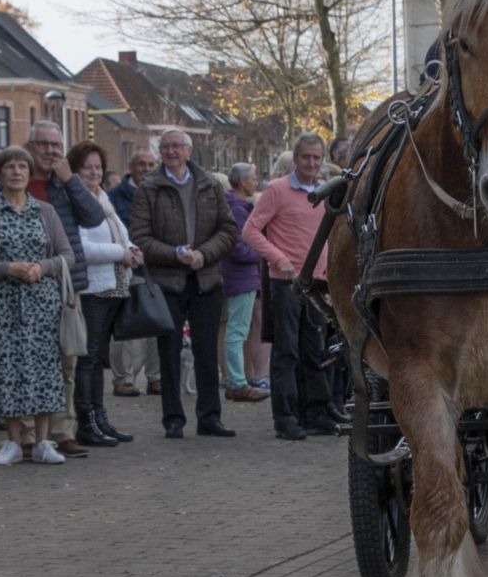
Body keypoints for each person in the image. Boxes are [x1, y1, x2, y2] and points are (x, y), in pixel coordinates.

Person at [129, 127, 237, 438]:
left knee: (205, 353)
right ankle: (173, 419)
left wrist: (204, 254)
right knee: (170, 353)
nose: (172, 152)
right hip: (168, 283)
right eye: (166, 147)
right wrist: (175, 254)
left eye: (177, 146)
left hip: (206, 281)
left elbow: (228, 229)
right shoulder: (149, 188)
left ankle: (210, 417)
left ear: (189, 151)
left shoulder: (210, 185)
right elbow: (140, 237)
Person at [0, 145, 72, 465]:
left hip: (42, 303)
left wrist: (44, 267)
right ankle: (13, 440)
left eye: (21, 167)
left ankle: (42, 441)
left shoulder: (45, 211)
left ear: (29, 174)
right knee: (7, 369)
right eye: (9, 167)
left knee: (44, 370)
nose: (16, 172)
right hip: (3, 304)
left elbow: (66, 254)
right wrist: (5, 269)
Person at [243, 132, 343, 440]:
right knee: (287, 353)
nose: (311, 163)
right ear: (295, 158)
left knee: (316, 352)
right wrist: (278, 258)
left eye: (316, 157)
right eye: (305, 157)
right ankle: (285, 417)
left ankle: (315, 413)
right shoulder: (276, 190)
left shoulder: (324, 193)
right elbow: (250, 230)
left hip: (318, 285)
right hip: (287, 284)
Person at [24, 122, 102, 453]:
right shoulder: (15, 178)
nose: (51, 151)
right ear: (30, 147)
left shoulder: (64, 184)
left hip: (65, 282)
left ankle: (62, 430)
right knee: (27, 360)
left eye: (56, 145)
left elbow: (93, 216)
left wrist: (70, 179)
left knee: (67, 359)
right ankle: (27, 433)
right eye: (43, 145)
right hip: (25, 282)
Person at [64, 142, 139, 447]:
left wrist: (132, 248)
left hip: (113, 286)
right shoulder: (75, 201)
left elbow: (120, 230)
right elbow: (80, 247)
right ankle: (87, 422)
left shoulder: (101, 197)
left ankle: (100, 416)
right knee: (89, 358)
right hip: (93, 288)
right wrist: (120, 252)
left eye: (97, 167)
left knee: (99, 358)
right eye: (87, 167)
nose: (93, 172)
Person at [107, 145, 161, 396]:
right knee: (128, 323)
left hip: (159, 266)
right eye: (142, 165)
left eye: (151, 165)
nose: (147, 170)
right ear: (131, 168)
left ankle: (156, 377)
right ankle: (124, 378)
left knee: (158, 321)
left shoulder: (161, 192)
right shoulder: (116, 196)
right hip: (128, 265)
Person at [221, 163, 268, 401]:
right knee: (237, 330)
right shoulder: (238, 210)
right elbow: (238, 248)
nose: (256, 183)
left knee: (236, 330)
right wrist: (263, 252)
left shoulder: (235, 207)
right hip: (242, 278)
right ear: (241, 182)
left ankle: (237, 378)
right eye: (252, 178)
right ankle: (237, 381)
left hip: (239, 277)